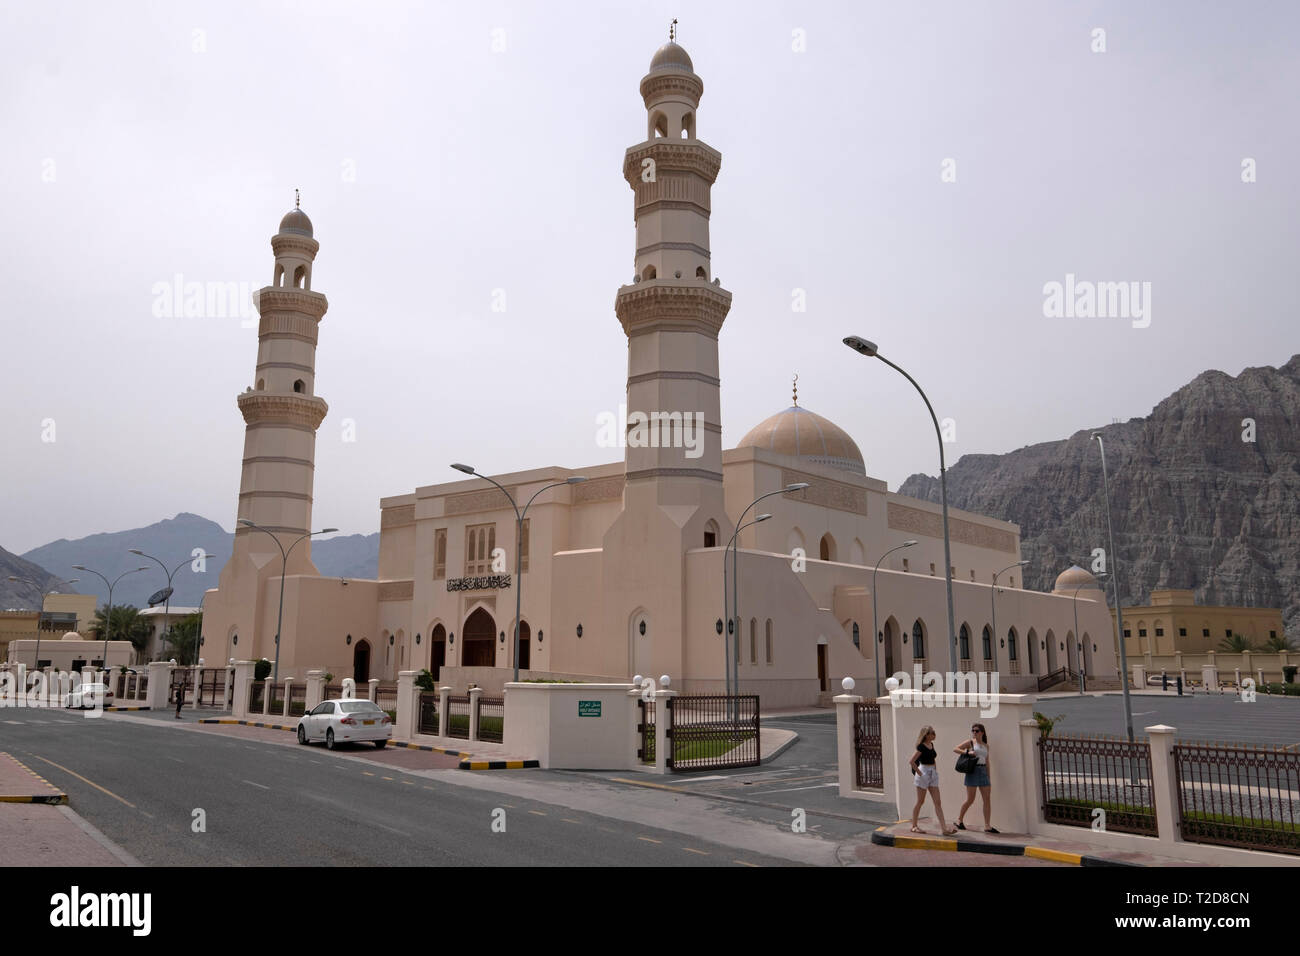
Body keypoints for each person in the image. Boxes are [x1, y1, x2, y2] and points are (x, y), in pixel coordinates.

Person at [909, 725, 958, 834]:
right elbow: (912, 761)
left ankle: (944, 829)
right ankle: (914, 826)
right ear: (926, 735)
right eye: (932, 732)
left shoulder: (931, 744)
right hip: (924, 772)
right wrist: (920, 774)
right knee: (920, 801)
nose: (934, 734)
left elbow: (933, 759)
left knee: (938, 802)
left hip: (932, 774)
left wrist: (935, 770)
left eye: (934, 732)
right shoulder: (921, 747)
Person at [954, 722, 997, 833]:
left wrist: (989, 777)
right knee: (970, 799)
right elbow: (956, 749)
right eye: (973, 730)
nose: (974, 732)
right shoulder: (970, 742)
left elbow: (987, 762)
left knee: (987, 799)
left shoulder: (986, 745)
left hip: (983, 771)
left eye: (976, 731)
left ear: (982, 732)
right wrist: (967, 752)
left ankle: (987, 825)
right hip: (973, 771)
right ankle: (959, 820)